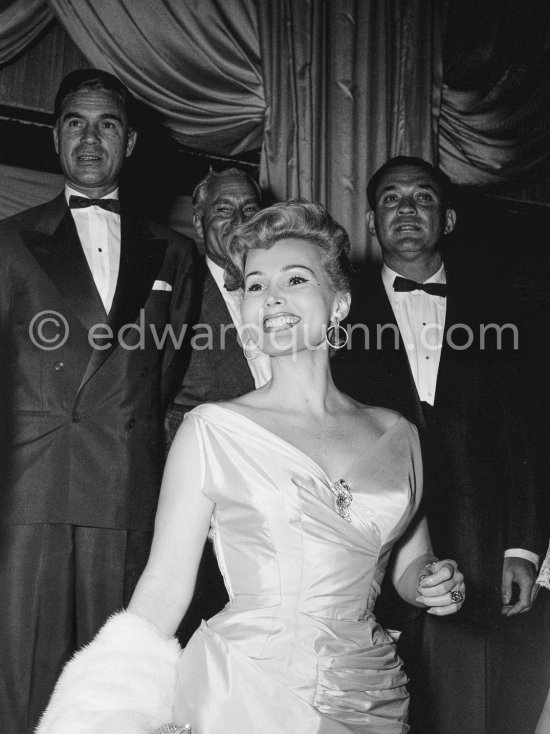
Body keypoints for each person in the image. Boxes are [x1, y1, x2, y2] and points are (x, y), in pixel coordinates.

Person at [35, 201, 465, 734]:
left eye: (296, 278)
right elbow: (165, 585)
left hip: (371, 695)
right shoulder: (212, 430)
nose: (271, 297)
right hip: (239, 692)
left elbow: (407, 562)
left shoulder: (400, 434)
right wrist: (99, 713)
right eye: (255, 285)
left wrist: (431, 580)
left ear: (339, 304)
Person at [0, 68, 198, 734]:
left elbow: (163, 372)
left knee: (115, 687)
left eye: (107, 124)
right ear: (56, 137)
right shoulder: (7, 242)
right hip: (29, 492)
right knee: (23, 686)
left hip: (124, 486)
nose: (91, 138)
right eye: (76, 123)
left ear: (131, 142)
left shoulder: (175, 255)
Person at [332, 156, 544, 734]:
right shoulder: (338, 313)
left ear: (447, 219)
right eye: (391, 199)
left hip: (482, 537)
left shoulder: (504, 311)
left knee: (468, 707)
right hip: (375, 539)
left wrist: (524, 547)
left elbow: (530, 433)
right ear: (372, 222)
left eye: (421, 198)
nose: (406, 209)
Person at [164, 167, 272, 644]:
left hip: (280, 513)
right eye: (224, 210)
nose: (239, 221)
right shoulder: (173, 292)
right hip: (204, 520)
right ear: (197, 220)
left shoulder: (284, 293)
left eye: (250, 210)